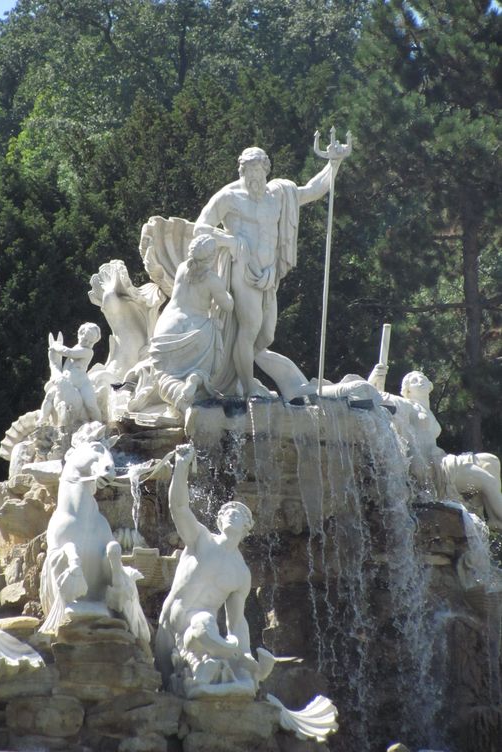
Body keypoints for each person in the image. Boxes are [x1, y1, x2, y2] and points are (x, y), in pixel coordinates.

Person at [194, 145, 345, 397]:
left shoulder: (278, 195)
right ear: (241, 172)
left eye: (258, 170)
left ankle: (233, 376)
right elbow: (200, 228)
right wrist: (230, 241)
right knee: (250, 327)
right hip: (243, 270)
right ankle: (248, 387)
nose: (254, 176)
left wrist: (334, 163)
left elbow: (313, 191)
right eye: (248, 171)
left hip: (269, 274)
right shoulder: (228, 197)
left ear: (266, 170)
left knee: (265, 334)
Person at [156, 443, 273, 697]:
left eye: (239, 514)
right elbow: (179, 508)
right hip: (168, 627)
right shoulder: (201, 539)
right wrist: (181, 467)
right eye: (227, 512)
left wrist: (244, 651)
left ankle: (241, 667)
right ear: (218, 521)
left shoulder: (241, 573)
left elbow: (237, 621)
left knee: (206, 623)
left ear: (247, 528)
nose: (232, 514)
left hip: (200, 636)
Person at [369, 366, 502, 529]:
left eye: (423, 377)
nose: (420, 380)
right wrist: (375, 377)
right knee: (485, 479)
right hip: (431, 468)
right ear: (407, 391)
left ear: (430, 384)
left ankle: (494, 520)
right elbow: (374, 398)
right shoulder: (405, 404)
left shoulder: (427, 410)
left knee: (491, 461)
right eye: (414, 380)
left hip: (440, 458)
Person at [126, 234, 234, 418]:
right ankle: (197, 378)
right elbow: (228, 306)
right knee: (207, 361)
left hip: (168, 325)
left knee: (163, 376)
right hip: (196, 329)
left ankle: (184, 403)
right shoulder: (212, 280)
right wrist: (228, 292)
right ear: (212, 257)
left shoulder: (183, 268)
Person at [40, 323, 102, 425]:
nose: (87, 343)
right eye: (85, 340)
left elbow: (69, 352)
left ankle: (100, 426)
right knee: (49, 395)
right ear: (79, 335)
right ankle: (42, 419)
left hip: (82, 384)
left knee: (91, 405)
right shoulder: (77, 347)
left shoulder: (88, 352)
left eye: (91, 342)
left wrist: (55, 345)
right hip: (68, 382)